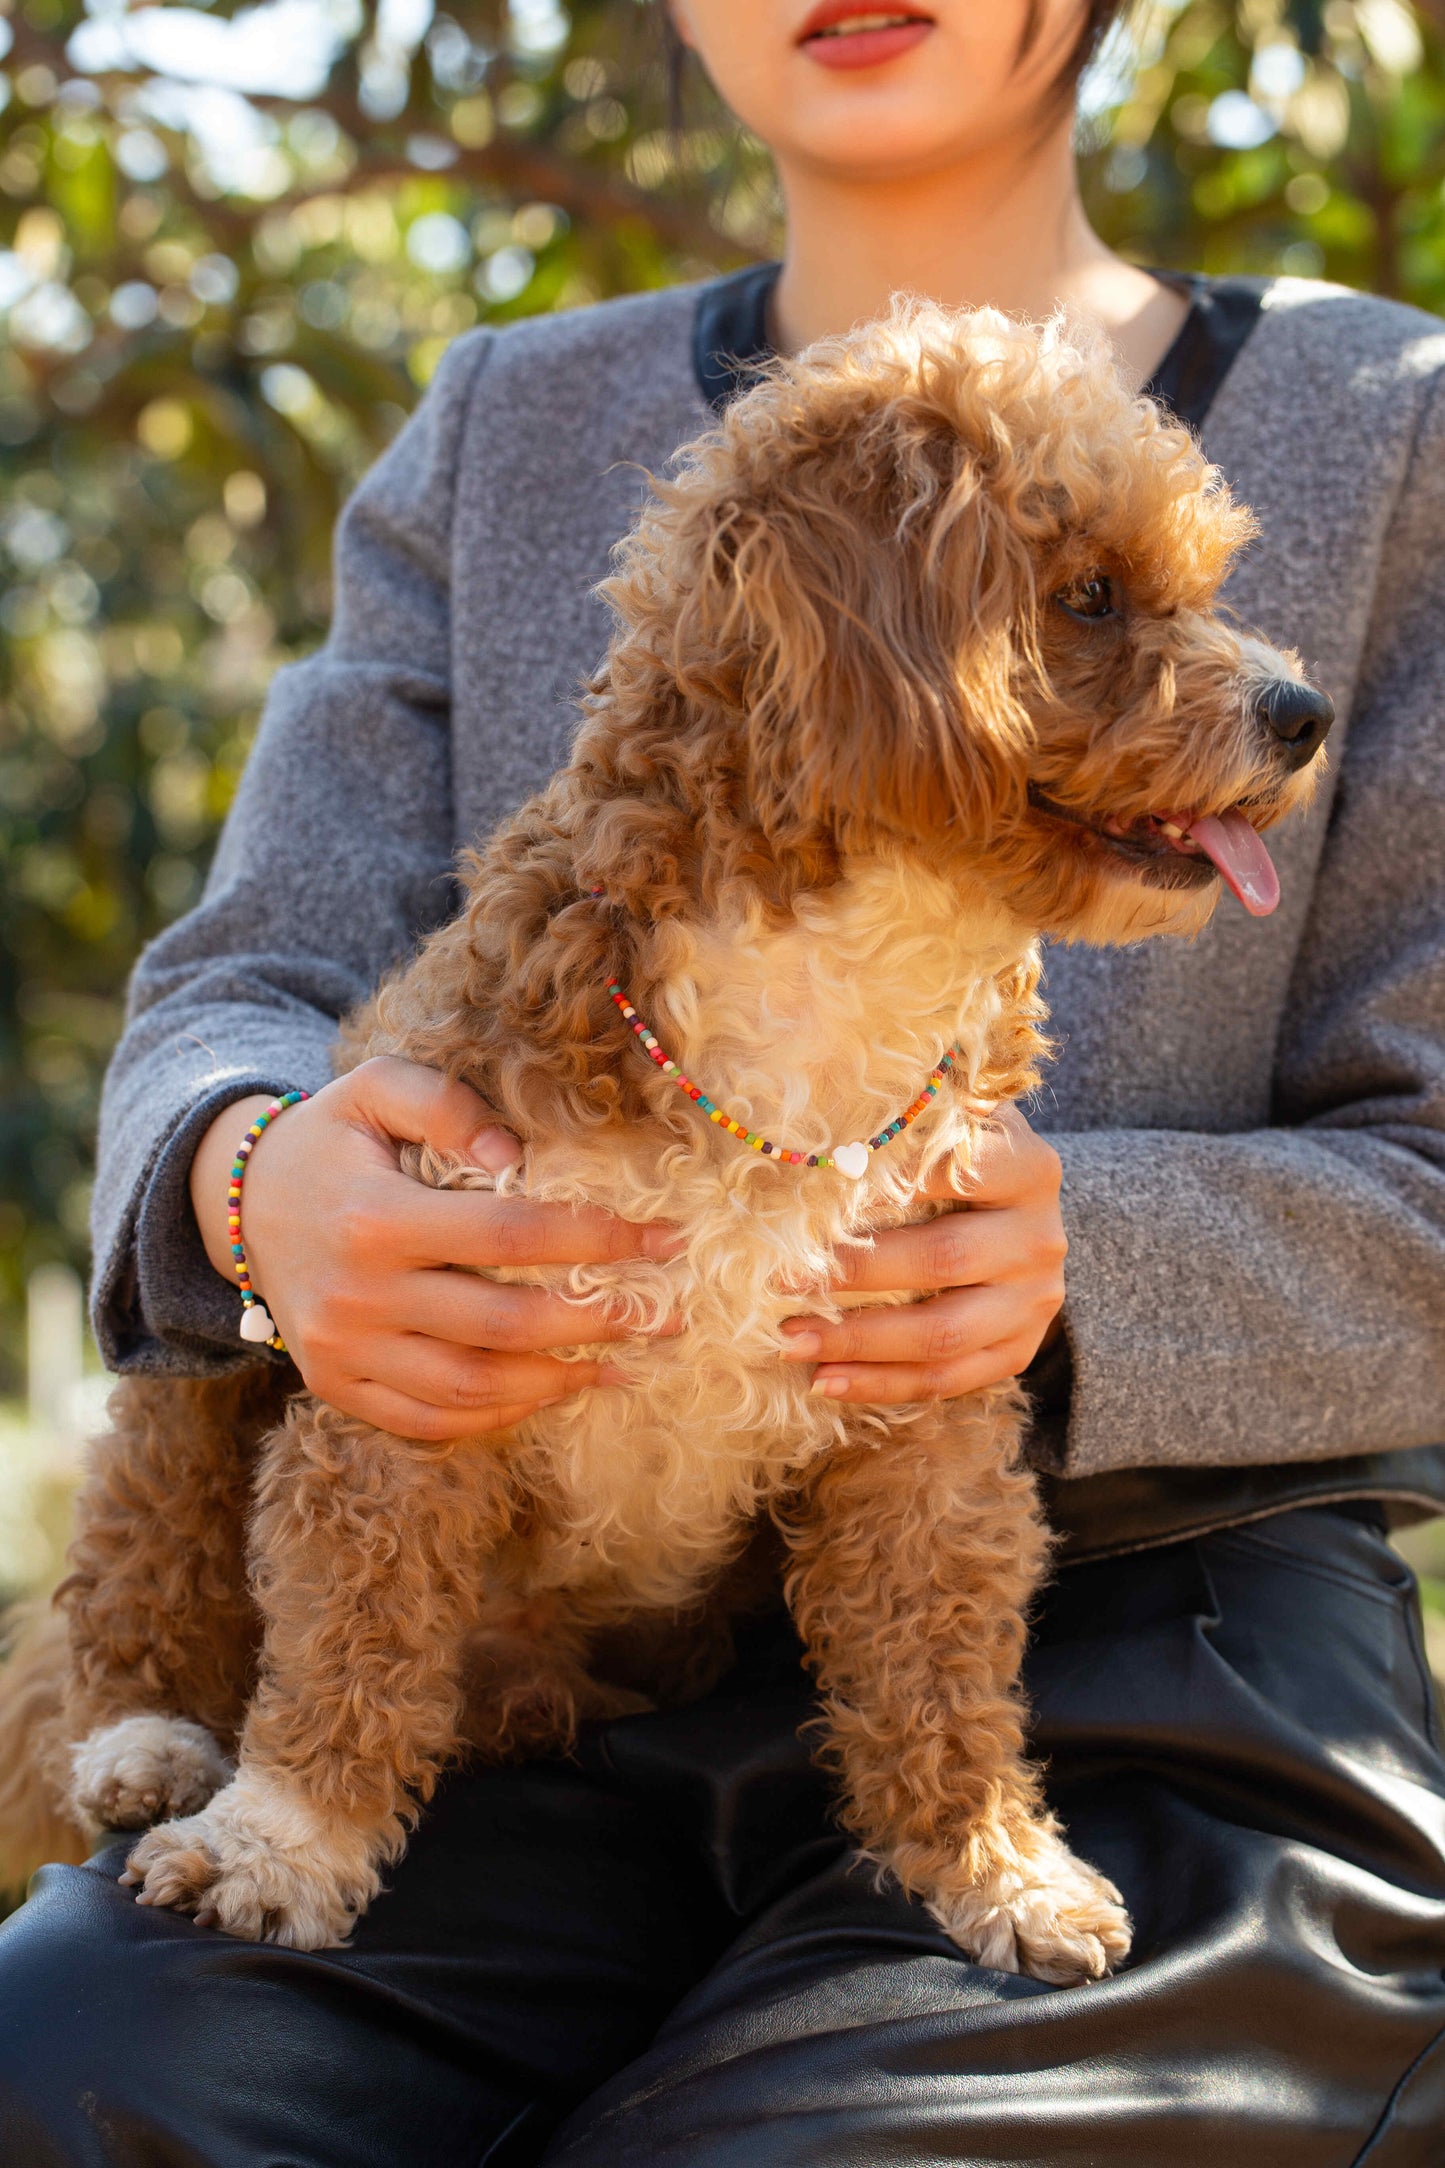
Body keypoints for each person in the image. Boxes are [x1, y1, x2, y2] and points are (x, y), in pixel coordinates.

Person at [2, 0, 1444, 2159]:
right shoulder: (505, 414)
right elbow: (251, 974)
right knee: (82, 2073)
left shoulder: (1391, 420)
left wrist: (1078, 1265)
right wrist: (255, 1183)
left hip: (1161, 1644)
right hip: (525, 1656)